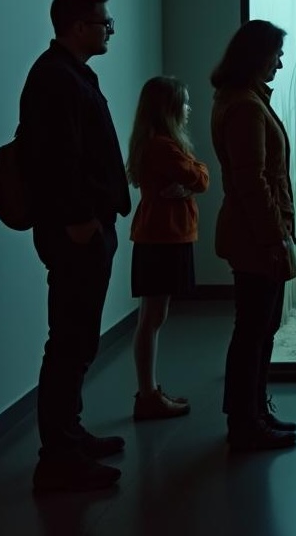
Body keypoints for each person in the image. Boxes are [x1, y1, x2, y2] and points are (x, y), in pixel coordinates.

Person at [20, 0, 131, 493]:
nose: (110, 30)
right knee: (68, 340)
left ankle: (70, 435)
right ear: (78, 26)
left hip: (84, 227)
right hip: (76, 232)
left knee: (78, 337)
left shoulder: (67, 73)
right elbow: (55, 160)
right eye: (104, 22)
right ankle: (59, 456)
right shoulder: (55, 78)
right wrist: (81, 221)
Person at [210, 20, 296, 451]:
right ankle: (245, 423)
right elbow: (253, 181)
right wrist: (274, 238)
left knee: (257, 330)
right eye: (275, 55)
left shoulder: (242, 99)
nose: (280, 64)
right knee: (252, 331)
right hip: (257, 238)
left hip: (255, 234)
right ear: (256, 55)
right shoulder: (245, 106)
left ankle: (254, 412)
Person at [126, 76, 209, 420]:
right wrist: (192, 182)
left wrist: (190, 182)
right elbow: (202, 178)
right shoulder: (164, 146)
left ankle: (150, 391)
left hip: (158, 236)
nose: (189, 109)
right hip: (163, 238)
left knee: (152, 317)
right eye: (184, 102)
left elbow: (195, 177)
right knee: (153, 318)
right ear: (169, 108)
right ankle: (148, 394)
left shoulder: (158, 144)